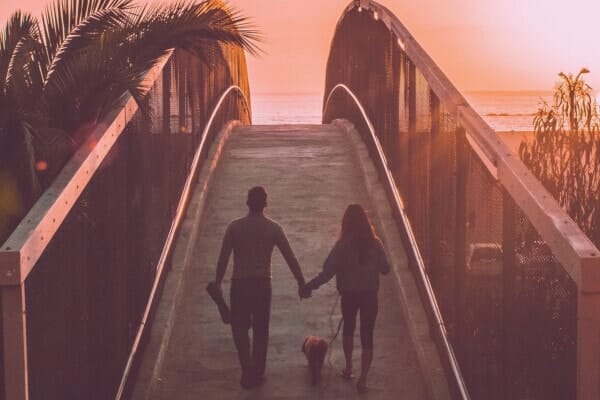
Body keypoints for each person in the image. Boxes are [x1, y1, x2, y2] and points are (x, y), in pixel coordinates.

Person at [213, 186, 306, 389]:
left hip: (240, 283)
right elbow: (290, 257)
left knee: (239, 327)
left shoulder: (234, 227)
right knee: (261, 329)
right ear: (265, 204)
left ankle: (246, 366)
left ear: (248, 203)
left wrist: (218, 282)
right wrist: (300, 281)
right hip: (263, 284)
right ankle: (258, 370)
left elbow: (223, 259)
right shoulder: (273, 228)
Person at [302, 204, 390, 393]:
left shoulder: (342, 246)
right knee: (367, 336)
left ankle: (349, 367)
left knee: (348, 329)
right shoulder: (375, 243)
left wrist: (310, 286)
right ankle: (363, 379)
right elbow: (386, 268)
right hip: (369, 295)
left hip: (349, 294)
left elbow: (327, 271)